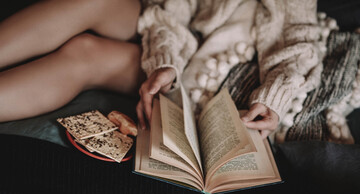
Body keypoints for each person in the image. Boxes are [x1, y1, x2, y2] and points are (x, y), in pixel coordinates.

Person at [0, 0, 322, 139]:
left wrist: (275, 96)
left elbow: (298, 38)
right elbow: (173, 10)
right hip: (176, 31)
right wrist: (166, 60)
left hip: (234, 66)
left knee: (87, 53)